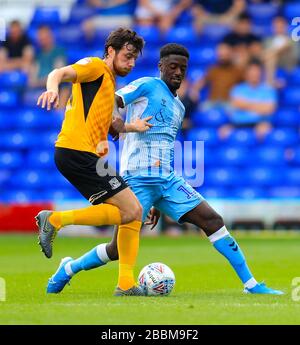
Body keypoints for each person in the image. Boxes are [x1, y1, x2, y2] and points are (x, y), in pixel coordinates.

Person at [46, 43, 283, 296]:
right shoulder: (146, 85)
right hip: (136, 180)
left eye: (183, 68)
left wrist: (159, 202)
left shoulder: (179, 107)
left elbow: (166, 148)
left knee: (212, 220)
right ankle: (69, 268)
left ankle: (251, 284)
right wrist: (117, 124)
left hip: (167, 181)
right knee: (116, 250)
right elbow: (112, 99)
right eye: (173, 67)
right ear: (161, 66)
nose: (178, 72)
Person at [35, 28, 148, 296]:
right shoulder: (95, 67)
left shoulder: (108, 83)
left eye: (134, 59)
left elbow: (111, 124)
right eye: (127, 55)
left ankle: (125, 284)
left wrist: (133, 127)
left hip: (83, 155)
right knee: (132, 210)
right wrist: (52, 89)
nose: (131, 63)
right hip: (76, 151)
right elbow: (59, 73)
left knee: (132, 212)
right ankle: (55, 220)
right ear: (110, 51)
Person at [219, 60, 277, 140]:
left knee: (264, 131)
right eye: (252, 71)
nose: (254, 74)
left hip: (259, 123)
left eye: (257, 71)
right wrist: (259, 106)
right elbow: (235, 104)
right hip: (237, 123)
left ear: (261, 73)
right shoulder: (237, 89)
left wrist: (244, 104)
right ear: (246, 73)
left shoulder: (268, 90)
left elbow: (269, 109)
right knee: (223, 131)